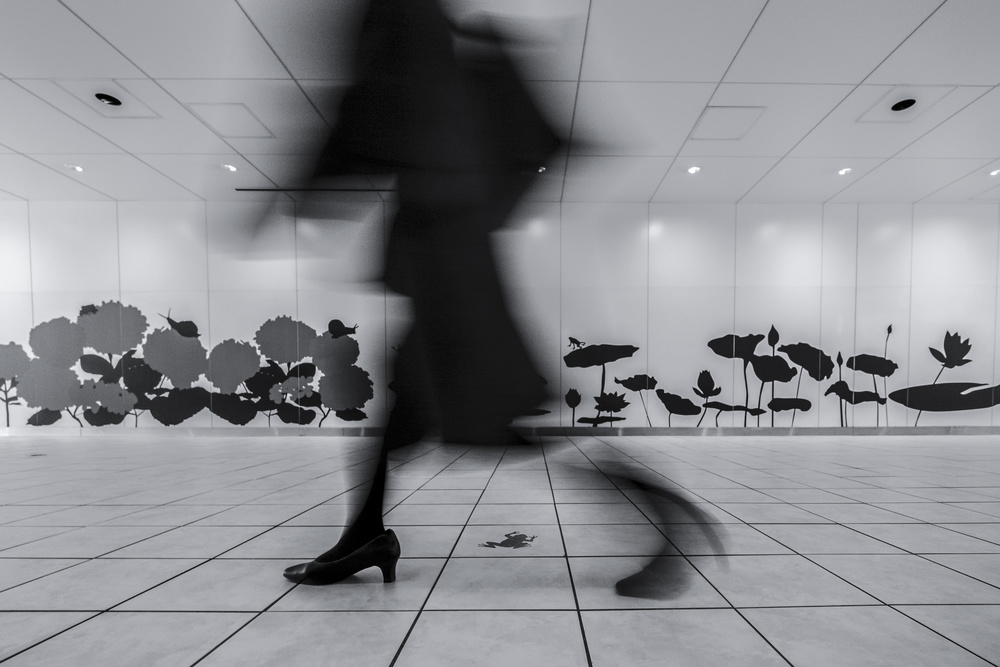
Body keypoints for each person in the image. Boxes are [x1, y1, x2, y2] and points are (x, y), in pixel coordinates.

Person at [282, 0, 555, 585]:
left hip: (448, 275)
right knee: (416, 416)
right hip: (443, 269)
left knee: (497, 423)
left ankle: (657, 510)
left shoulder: (426, 34)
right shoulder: (461, 50)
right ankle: (366, 537)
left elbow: (378, 104)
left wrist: (310, 188)